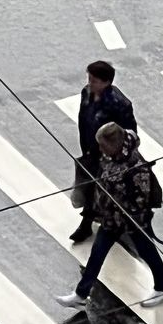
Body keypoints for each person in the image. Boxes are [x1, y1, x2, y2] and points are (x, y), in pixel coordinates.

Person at [56, 123, 163, 309]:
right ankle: (81, 294)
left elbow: (141, 199)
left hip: (132, 222)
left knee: (147, 251)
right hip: (111, 219)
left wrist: (122, 206)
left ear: (115, 144)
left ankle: (162, 286)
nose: (100, 149)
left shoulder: (136, 167)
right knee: (97, 254)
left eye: (103, 145)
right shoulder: (111, 155)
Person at [70, 60, 137, 243]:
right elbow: (83, 119)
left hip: (109, 156)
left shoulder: (119, 104)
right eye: (89, 79)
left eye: (94, 80)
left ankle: (89, 223)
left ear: (106, 82)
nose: (90, 83)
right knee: (89, 185)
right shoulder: (87, 93)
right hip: (90, 149)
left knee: (101, 188)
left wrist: (115, 154)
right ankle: (89, 220)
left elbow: (130, 133)